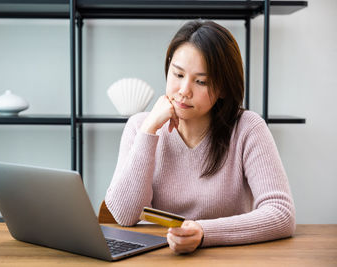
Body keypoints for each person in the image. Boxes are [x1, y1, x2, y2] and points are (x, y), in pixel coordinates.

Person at [105, 20, 295, 254]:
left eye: (200, 81)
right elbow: (125, 216)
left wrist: (204, 232)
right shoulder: (140, 126)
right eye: (177, 74)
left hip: (231, 258)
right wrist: (150, 129)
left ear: (223, 88)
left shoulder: (248, 128)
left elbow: (281, 213)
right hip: (162, 257)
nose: (184, 90)